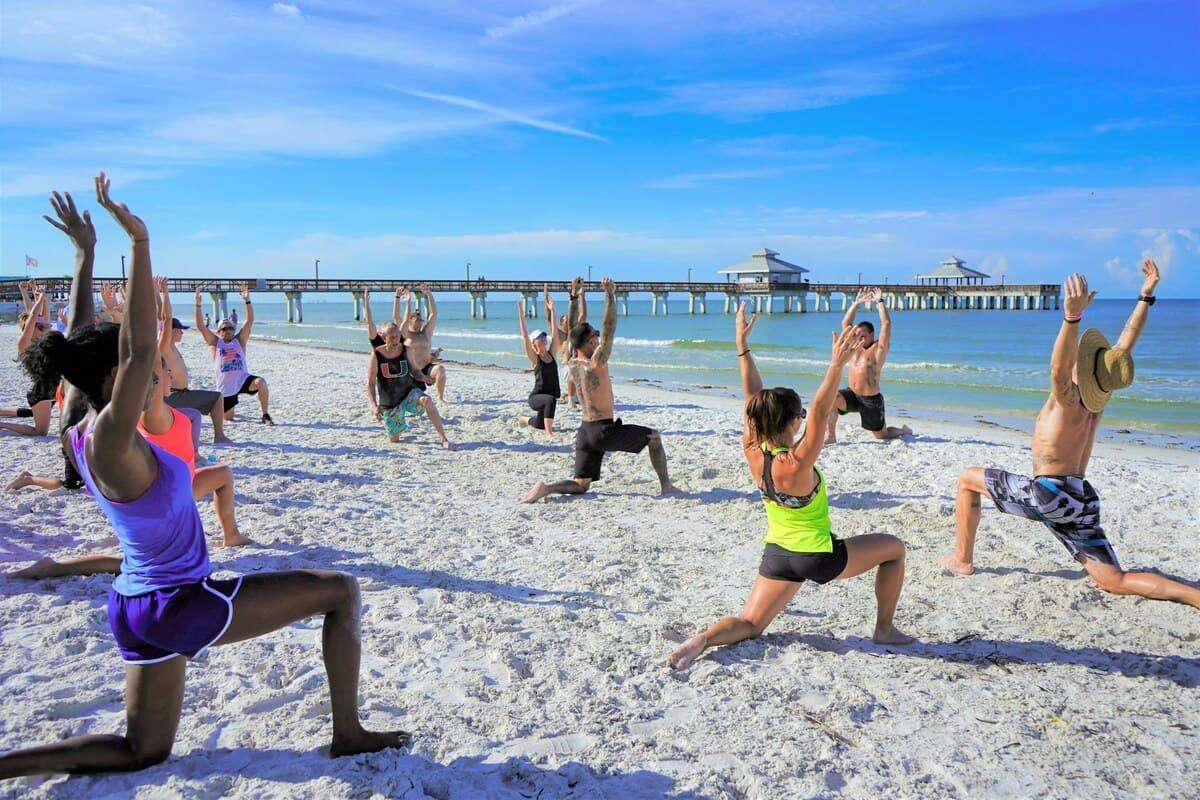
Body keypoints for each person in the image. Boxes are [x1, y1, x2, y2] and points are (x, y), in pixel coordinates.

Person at [0, 173, 405, 779]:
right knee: (339, 591)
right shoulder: (111, 435)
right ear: (117, 379)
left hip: (136, 603)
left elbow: (87, 342)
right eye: (140, 366)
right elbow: (135, 349)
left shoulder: (77, 420)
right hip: (178, 600)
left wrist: (85, 256)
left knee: (143, 751)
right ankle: (347, 733)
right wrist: (138, 242)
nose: (154, 366)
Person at [667, 304, 915, 670]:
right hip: (818, 557)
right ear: (791, 423)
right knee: (894, 549)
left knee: (751, 624)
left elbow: (755, 397)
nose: (803, 418)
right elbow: (820, 409)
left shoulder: (753, 449)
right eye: (798, 416)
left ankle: (703, 639)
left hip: (778, 555)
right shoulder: (797, 462)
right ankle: (884, 629)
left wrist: (742, 345)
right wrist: (835, 366)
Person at [939, 265, 1200, 610]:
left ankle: (962, 559)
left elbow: (1057, 368)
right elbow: (1124, 345)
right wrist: (1145, 295)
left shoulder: (1068, 397)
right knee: (1114, 580)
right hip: (1081, 499)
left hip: (1048, 494)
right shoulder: (1099, 399)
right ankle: (1192, 595)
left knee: (967, 480)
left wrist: (1072, 317)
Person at [522, 277, 679, 502]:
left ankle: (546, 488)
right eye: (593, 337)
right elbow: (609, 327)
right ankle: (667, 486)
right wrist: (610, 296)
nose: (597, 339)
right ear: (588, 343)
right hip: (603, 431)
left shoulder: (570, 359)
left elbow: (574, 327)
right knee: (653, 437)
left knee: (581, 484)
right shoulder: (597, 362)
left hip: (585, 431)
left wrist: (574, 297)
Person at [365, 291, 452, 448]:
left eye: (398, 336)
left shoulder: (406, 349)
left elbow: (415, 371)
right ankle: (397, 423)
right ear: (383, 337)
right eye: (392, 337)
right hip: (390, 401)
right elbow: (370, 382)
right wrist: (373, 405)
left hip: (408, 393)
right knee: (394, 439)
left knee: (427, 400)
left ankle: (443, 439)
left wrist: (423, 377)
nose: (396, 340)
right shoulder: (377, 354)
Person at [825, 287, 911, 443]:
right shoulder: (854, 346)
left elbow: (886, 323)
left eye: (863, 335)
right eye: (857, 335)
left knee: (882, 436)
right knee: (831, 397)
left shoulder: (878, 350)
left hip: (871, 400)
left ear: (872, 334)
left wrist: (879, 301)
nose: (859, 338)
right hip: (852, 394)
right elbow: (846, 323)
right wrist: (857, 303)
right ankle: (831, 436)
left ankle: (903, 430)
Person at [159, 283, 230, 444]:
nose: (182, 332)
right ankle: (219, 436)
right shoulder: (165, 347)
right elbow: (165, 318)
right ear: (172, 331)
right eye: (180, 330)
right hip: (174, 396)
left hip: (182, 394)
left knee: (215, 398)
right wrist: (164, 293)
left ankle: (219, 436)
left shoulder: (172, 348)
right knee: (217, 398)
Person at [194, 283, 274, 425]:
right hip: (226, 388)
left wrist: (247, 300)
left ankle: (265, 414)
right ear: (219, 332)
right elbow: (200, 326)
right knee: (229, 417)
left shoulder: (239, 341)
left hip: (243, 380)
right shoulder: (215, 343)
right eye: (224, 328)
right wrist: (198, 305)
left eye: (231, 328)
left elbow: (249, 321)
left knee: (261, 382)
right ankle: (222, 406)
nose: (228, 330)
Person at [0, 303, 54, 437]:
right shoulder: (24, 345)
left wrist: (44, 298)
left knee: (32, 415)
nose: (44, 329)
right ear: (31, 328)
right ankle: (2, 425)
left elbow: (45, 320)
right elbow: (33, 317)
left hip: (51, 389)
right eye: (39, 327)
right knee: (40, 432)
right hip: (43, 393)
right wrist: (40, 300)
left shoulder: (43, 342)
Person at [516, 286, 562, 438]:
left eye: (543, 336)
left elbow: (555, 333)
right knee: (550, 400)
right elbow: (524, 337)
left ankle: (523, 419)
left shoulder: (551, 354)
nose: (543, 338)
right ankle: (550, 433)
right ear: (534, 343)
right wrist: (522, 317)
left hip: (547, 398)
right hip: (536, 398)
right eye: (539, 337)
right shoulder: (535, 358)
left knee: (540, 424)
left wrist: (553, 310)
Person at [399, 282, 447, 404]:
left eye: (420, 321)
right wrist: (405, 301)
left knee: (440, 369)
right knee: (414, 397)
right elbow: (397, 318)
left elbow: (433, 314)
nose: (419, 323)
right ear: (410, 321)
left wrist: (429, 294)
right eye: (416, 321)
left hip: (426, 368)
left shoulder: (425, 333)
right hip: (412, 371)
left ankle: (440, 398)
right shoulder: (407, 334)